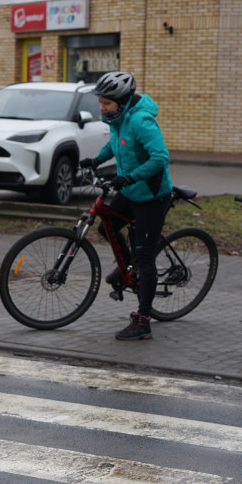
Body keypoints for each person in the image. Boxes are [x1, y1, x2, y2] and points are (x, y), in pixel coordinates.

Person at [87, 71, 172, 341]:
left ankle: (143, 321)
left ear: (122, 102)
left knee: (146, 259)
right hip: (131, 190)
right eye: (100, 102)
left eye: (106, 104)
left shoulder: (142, 121)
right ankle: (127, 267)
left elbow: (161, 157)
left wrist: (131, 177)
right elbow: (116, 145)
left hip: (151, 195)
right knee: (107, 226)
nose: (102, 108)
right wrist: (95, 160)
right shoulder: (117, 119)